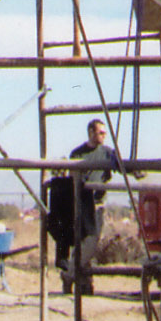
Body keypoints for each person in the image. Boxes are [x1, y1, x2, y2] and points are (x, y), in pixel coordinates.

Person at [63, 118, 121, 294]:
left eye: (104, 133)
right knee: (82, 243)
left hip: (97, 204)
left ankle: (69, 274)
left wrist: (135, 170)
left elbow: (121, 165)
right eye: (100, 132)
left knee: (91, 242)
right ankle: (84, 284)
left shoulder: (108, 153)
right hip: (80, 202)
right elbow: (72, 177)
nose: (103, 135)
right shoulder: (78, 154)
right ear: (91, 133)